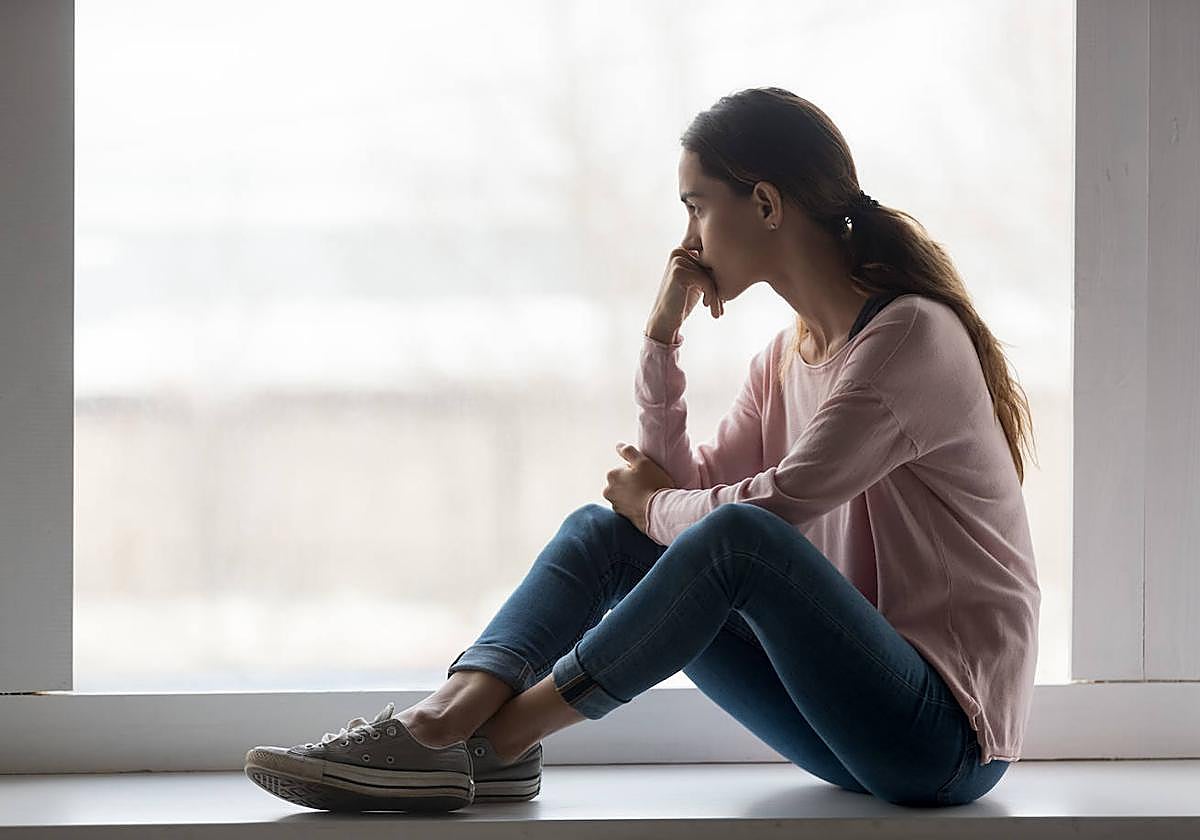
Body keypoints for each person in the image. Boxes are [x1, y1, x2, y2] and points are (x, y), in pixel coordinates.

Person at [246, 86, 1041, 812]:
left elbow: (773, 508)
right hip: (846, 725)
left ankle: (490, 742)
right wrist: (662, 338)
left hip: (943, 739)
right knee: (606, 533)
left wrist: (655, 503)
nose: (688, 240)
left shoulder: (907, 337)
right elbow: (678, 495)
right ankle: (446, 720)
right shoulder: (783, 358)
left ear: (766, 203)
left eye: (697, 208)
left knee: (736, 537)